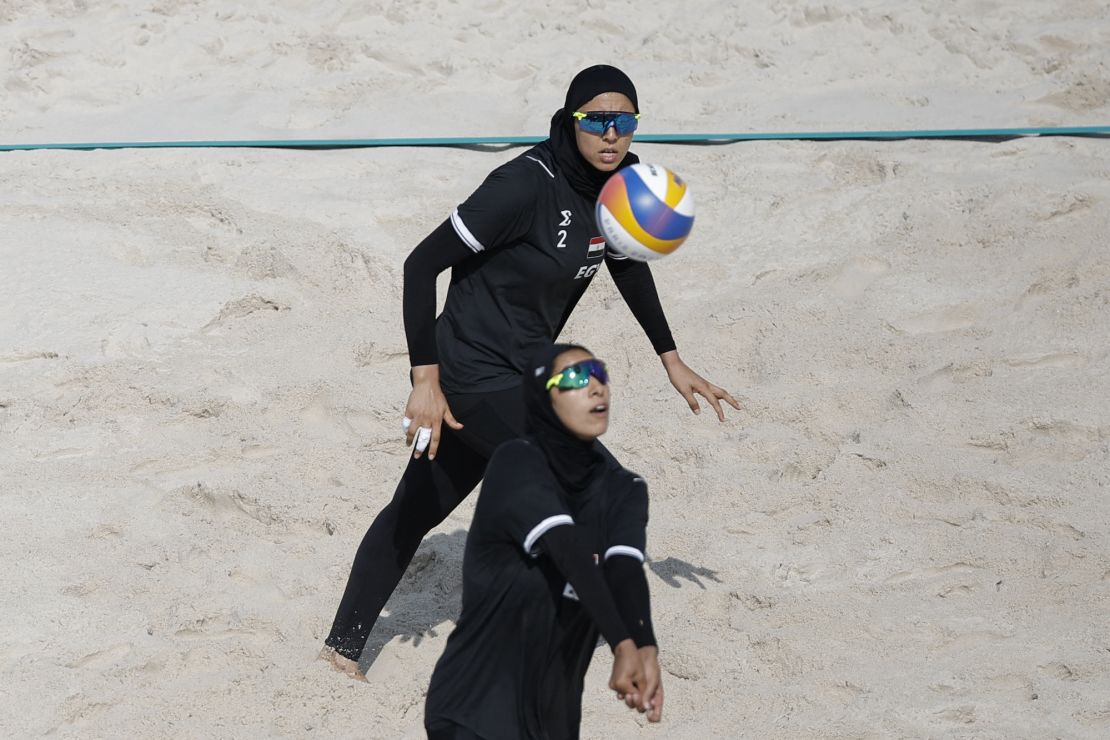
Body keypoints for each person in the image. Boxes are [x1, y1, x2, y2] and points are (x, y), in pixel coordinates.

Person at [321, 64, 738, 677]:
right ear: (570, 122)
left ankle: (341, 649)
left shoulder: (619, 185)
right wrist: (424, 381)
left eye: (624, 122)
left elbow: (624, 260)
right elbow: (420, 266)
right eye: (597, 120)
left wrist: (670, 359)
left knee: (417, 506)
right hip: (467, 371)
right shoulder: (521, 186)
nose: (611, 134)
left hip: (520, 374)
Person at [424, 344, 662, 740]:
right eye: (574, 377)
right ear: (541, 398)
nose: (595, 387)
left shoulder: (626, 487)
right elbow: (566, 548)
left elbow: (624, 568)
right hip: (473, 707)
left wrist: (645, 646)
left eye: (599, 373)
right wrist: (622, 643)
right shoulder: (516, 462)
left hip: (554, 721)